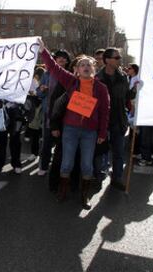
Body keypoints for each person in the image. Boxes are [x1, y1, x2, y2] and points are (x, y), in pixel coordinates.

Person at [38, 38, 110, 209]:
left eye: (89, 65)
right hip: (70, 130)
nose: (86, 67)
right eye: (82, 65)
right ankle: (62, 191)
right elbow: (54, 68)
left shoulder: (101, 88)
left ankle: (84, 197)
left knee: (87, 164)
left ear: (94, 69)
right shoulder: (71, 82)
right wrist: (43, 50)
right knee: (67, 163)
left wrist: (101, 133)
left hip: (90, 133)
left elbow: (105, 112)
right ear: (77, 70)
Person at [97, 48, 135, 190]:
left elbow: (127, 97)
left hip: (119, 120)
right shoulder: (97, 78)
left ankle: (117, 178)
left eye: (119, 57)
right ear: (107, 60)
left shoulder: (123, 77)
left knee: (118, 152)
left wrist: (135, 90)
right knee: (101, 151)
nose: (120, 59)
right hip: (102, 121)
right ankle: (99, 175)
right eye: (117, 57)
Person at [38, 49, 71, 177]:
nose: (61, 59)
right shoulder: (47, 74)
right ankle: (44, 166)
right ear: (54, 60)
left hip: (66, 115)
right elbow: (39, 93)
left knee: (63, 144)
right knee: (46, 142)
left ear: (67, 60)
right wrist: (42, 89)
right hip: (49, 113)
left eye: (64, 57)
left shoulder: (70, 74)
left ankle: (61, 168)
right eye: (59, 57)